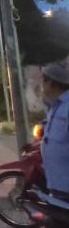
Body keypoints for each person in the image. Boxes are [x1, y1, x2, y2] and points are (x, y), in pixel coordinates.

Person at [42, 61, 69, 194]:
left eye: (44, 81)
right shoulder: (56, 106)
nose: (42, 86)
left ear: (52, 83)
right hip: (56, 181)